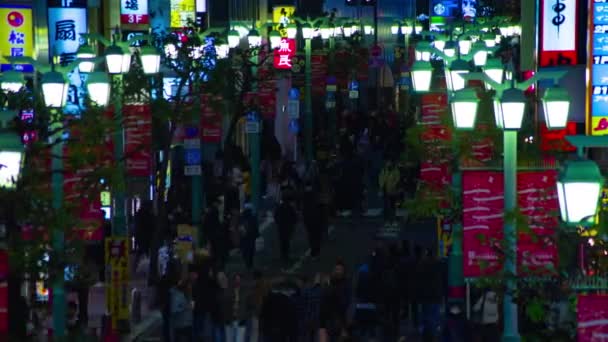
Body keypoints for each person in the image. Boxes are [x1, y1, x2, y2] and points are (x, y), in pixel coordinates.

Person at [274, 197, 298, 268]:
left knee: (282, 242)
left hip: (281, 227)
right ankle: (286, 255)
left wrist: (278, 223)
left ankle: (283, 255)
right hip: (288, 228)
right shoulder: (290, 208)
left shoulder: (279, 208)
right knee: (286, 242)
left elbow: (276, 216)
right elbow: (295, 218)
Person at [302, 185, 323, 259]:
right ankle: (316, 251)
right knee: (316, 236)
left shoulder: (305, 199)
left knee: (312, 236)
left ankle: (314, 251)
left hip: (309, 219)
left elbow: (304, 211)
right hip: (315, 219)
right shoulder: (315, 198)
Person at [379, 160, 401, 227]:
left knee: (393, 207)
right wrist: (381, 187)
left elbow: (397, 179)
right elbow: (381, 179)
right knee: (386, 207)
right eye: (387, 162)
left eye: (389, 162)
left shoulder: (395, 170)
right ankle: (387, 221)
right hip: (386, 191)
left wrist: (393, 186)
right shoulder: (384, 170)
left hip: (393, 191)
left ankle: (394, 221)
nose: (388, 164)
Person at [171, 277, 193, 342]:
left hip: (188, 323)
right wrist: (185, 307)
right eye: (189, 286)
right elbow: (174, 310)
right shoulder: (177, 295)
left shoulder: (187, 295)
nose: (190, 288)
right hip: (180, 324)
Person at [239, 202, 259, 270]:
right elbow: (255, 227)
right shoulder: (253, 217)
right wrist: (257, 235)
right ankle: (250, 263)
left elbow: (239, 227)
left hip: (243, 236)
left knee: (245, 250)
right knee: (251, 250)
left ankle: (246, 262)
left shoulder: (241, 217)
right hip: (251, 236)